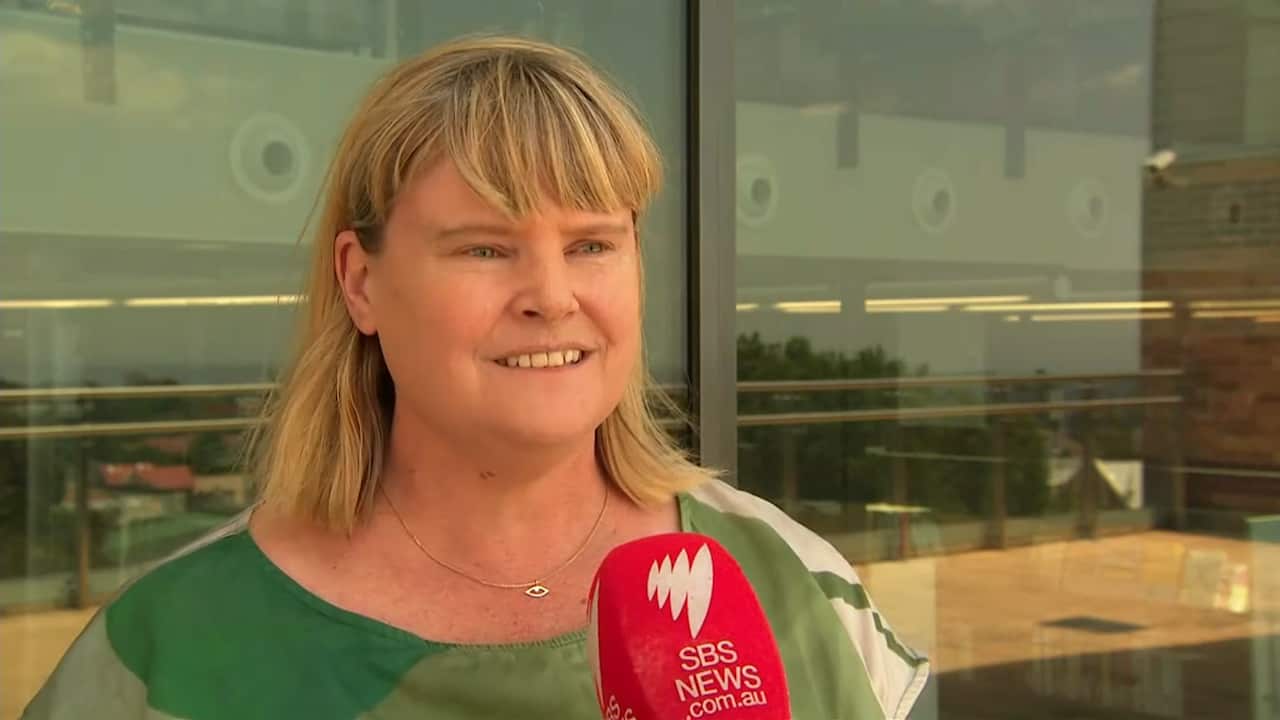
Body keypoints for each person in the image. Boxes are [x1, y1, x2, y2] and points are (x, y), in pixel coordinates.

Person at [22, 36, 928, 720]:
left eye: (591, 245)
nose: (551, 295)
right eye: (486, 247)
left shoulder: (803, 593)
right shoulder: (166, 653)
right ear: (361, 280)